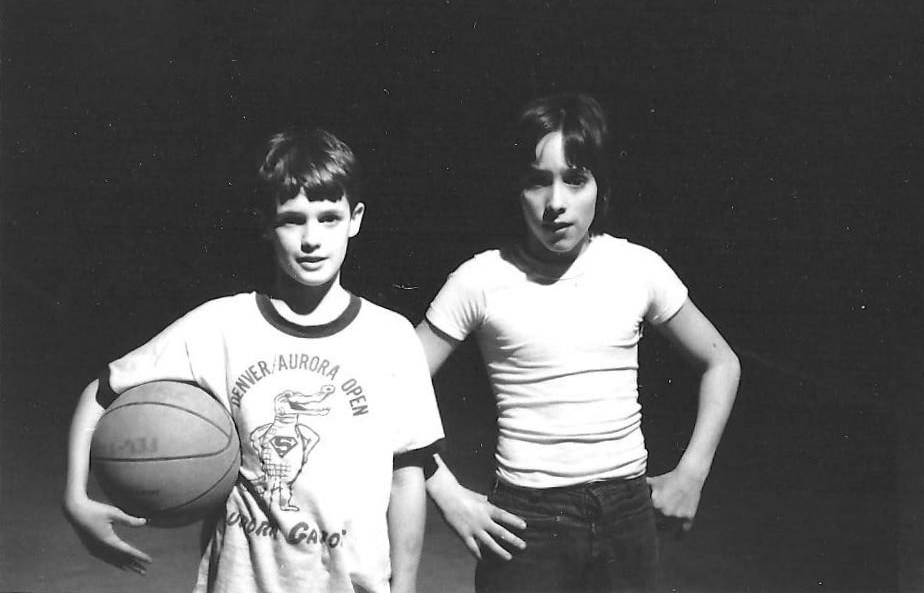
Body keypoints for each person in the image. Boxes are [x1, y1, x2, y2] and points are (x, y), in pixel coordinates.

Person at [62, 128, 444, 593]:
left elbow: (407, 481)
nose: (311, 239)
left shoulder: (390, 337)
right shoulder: (221, 326)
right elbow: (102, 390)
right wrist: (75, 498)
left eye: (328, 218)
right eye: (291, 219)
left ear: (355, 219)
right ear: (264, 223)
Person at [417, 93, 741, 593]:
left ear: (599, 185)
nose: (555, 204)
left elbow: (721, 362)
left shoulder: (636, 268)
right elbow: (388, 389)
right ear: (515, 190)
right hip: (526, 522)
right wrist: (447, 493)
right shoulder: (479, 280)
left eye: (574, 179)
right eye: (536, 181)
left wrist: (691, 474)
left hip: (627, 513)